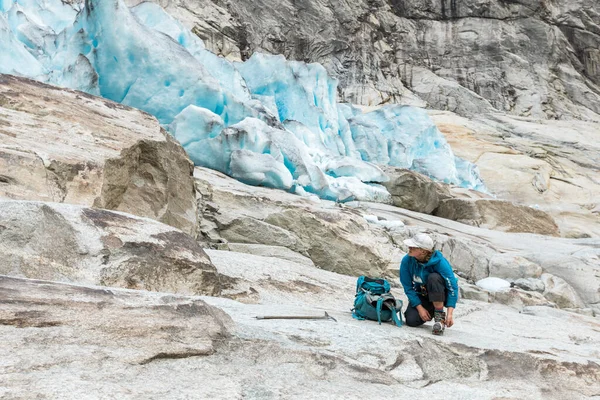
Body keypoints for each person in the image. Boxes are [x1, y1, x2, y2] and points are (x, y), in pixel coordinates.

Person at [399, 233, 458, 335]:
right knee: (411, 320)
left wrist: (450, 313)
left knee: (433, 277)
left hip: (439, 293)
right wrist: (420, 308)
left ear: (423, 251)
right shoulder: (407, 261)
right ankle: (432, 311)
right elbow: (408, 287)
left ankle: (439, 318)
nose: (409, 248)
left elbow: (452, 287)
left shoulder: (440, 262)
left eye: (413, 246)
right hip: (422, 294)